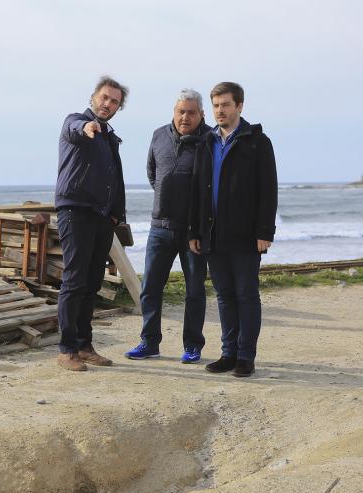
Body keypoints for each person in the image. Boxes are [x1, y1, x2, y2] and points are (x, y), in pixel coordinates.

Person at [188, 82, 278, 377]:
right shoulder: (206, 142)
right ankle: (228, 354)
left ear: (239, 106)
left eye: (225, 105)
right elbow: (197, 190)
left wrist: (265, 231)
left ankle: (245, 357)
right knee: (224, 296)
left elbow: (268, 189)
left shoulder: (257, 142)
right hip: (213, 235)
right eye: (216, 106)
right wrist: (194, 231)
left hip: (246, 235)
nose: (220, 111)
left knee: (246, 295)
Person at [125, 89, 210, 364]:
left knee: (194, 290)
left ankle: (193, 345)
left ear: (201, 115)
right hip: (160, 227)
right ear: (174, 112)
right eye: (181, 111)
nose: (185, 117)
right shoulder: (159, 135)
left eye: (191, 112)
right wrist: (168, 196)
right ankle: (149, 343)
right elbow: (153, 173)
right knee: (150, 288)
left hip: (194, 232)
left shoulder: (210, 139)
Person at [54, 76, 129, 371]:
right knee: (74, 280)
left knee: (92, 282)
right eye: (104, 97)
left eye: (114, 101)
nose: (107, 104)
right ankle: (66, 349)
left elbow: (115, 179)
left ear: (119, 107)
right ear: (93, 97)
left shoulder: (110, 138)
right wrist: (86, 127)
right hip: (75, 210)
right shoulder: (76, 121)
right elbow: (74, 129)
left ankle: (85, 346)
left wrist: (116, 214)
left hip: (102, 216)